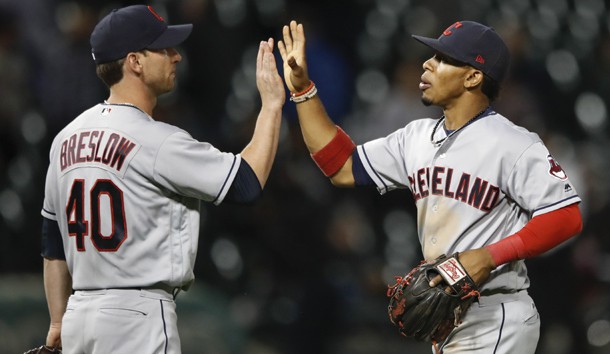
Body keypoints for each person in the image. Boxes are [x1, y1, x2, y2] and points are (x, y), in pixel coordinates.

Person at [278, 20, 583, 353]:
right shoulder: (416, 137)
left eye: (443, 59)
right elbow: (341, 166)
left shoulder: (513, 143)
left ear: (473, 76)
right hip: (448, 317)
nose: (427, 64)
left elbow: (566, 217)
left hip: (496, 314)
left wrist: (488, 256)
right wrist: (303, 91)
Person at [39, 5, 284, 354]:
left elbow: (52, 245)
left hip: (79, 317)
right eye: (164, 48)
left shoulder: (65, 140)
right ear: (135, 61)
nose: (177, 56)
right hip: (137, 319)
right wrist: (272, 106)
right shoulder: (157, 140)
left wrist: (58, 321)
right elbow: (246, 183)